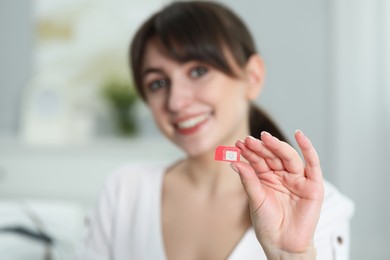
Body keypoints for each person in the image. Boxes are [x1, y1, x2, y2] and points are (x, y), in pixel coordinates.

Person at [79, 1, 354, 259]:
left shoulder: (314, 205)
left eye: (198, 71)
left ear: (252, 77)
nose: (176, 102)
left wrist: (290, 256)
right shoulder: (124, 191)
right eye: (158, 83)